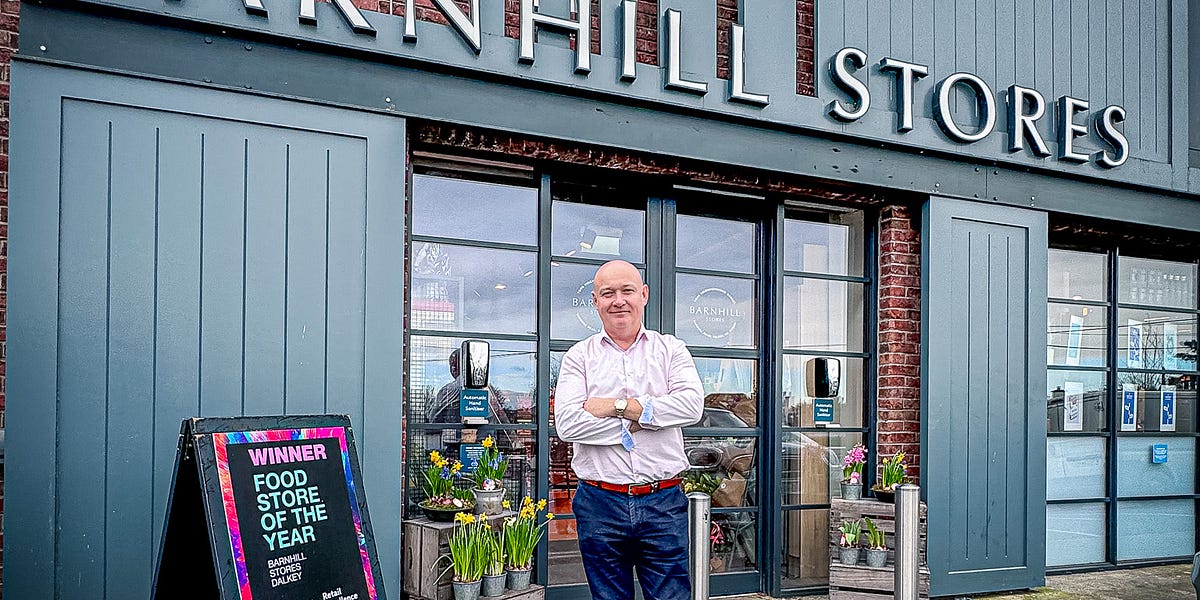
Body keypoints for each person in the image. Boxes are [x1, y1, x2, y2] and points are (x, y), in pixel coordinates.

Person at [555, 260, 704, 600]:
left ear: (644, 295)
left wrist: (616, 407)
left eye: (627, 291)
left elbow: (691, 406)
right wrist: (642, 419)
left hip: (663, 501)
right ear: (595, 301)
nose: (618, 300)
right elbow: (568, 424)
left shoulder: (671, 350)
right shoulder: (578, 357)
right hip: (600, 502)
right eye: (608, 293)